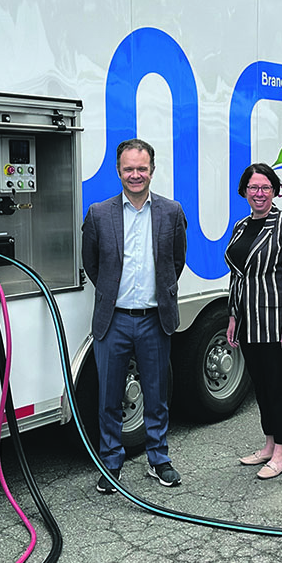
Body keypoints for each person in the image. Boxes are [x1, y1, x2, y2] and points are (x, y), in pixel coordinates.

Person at [81, 138, 187, 494]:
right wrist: (116, 294)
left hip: (154, 320)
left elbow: (176, 261)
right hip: (114, 320)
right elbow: (92, 264)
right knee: (109, 398)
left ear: (152, 171)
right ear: (118, 171)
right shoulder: (99, 213)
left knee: (156, 396)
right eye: (129, 168)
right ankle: (111, 463)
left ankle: (159, 459)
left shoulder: (171, 212)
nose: (135, 175)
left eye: (142, 168)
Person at [225, 163, 282, 479]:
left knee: (281, 387)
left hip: (278, 322)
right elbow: (237, 277)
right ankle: (268, 444)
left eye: (265, 187)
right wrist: (233, 315)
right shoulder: (242, 226)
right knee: (261, 386)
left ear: (275, 190)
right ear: (244, 191)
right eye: (253, 187)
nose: (259, 193)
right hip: (249, 321)